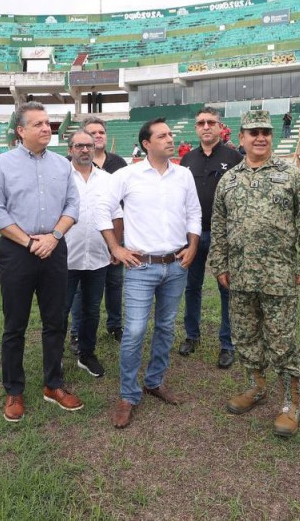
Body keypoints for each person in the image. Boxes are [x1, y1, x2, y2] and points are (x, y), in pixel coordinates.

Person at [210, 111, 300, 438]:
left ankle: (291, 402)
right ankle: (256, 386)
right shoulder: (228, 180)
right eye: (253, 132)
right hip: (241, 277)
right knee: (245, 336)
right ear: (241, 138)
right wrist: (220, 264)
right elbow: (218, 228)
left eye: (266, 132)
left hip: (279, 277)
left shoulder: (290, 177)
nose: (260, 138)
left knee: (282, 340)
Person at [0, 102, 84, 423]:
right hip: (17, 251)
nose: (46, 129)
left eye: (48, 123)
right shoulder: (1, 164)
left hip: (54, 249)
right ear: (20, 131)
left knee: (55, 321)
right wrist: (29, 242)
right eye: (38, 124)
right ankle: (14, 390)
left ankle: (53, 385)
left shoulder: (62, 165)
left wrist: (54, 237)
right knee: (15, 325)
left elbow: (72, 205)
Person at [99, 118, 201, 429]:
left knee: (166, 328)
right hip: (140, 266)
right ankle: (128, 394)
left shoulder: (183, 175)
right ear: (146, 143)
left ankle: (154, 381)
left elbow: (194, 212)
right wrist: (116, 248)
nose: (170, 139)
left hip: (176, 265)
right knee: (133, 331)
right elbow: (103, 208)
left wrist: (193, 246)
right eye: (162, 135)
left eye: (171, 134)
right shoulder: (127, 175)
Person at [178, 107, 242, 369]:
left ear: (220, 127)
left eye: (211, 122)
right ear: (196, 128)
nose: (206, 127)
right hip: (192, 234)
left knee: (226, 288)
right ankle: (192, 336)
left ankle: (227, 344)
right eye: (201, 123)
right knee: (192, 287)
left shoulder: (235, 157)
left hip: (223, 235)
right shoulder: (187, 160)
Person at [74, 117, 127, 346]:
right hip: (79, 242)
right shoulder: (69, 167)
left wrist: (117, 243)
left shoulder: (118, 165)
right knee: (79, 291)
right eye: (92, 133)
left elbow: (122, 207)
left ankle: (114, 325)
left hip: (113, 237)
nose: (97, 137)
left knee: (114, 284)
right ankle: (77, 332)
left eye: (101, 132)